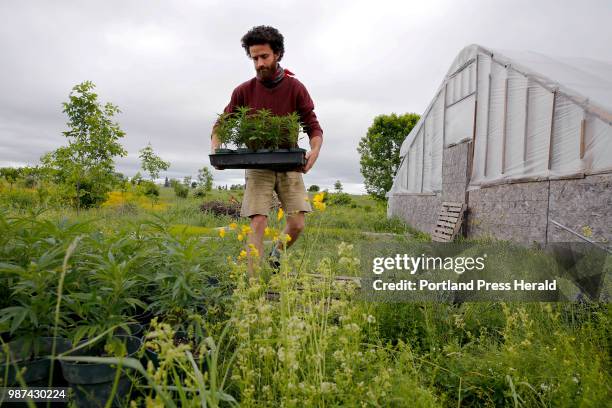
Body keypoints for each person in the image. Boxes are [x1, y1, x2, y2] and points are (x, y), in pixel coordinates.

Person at [211, 25, 323, 274]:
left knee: (297, 224)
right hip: (257, 164)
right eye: (254, 58)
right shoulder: (244, 90)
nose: (259, 63)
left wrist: (314, 151)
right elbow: (220, 125)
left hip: (289, 163)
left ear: (278, 54)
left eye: (264, 57)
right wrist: (216, 150)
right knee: (258, 221)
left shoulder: (295, 88)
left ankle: (275, 256)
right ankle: (253, 284)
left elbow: (314, 128)